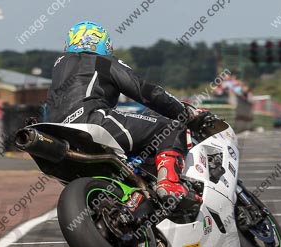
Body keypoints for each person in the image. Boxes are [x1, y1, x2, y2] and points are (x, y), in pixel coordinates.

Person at [45, 21, 201, 201]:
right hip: (92, 121)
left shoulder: (59, 65)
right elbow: (144, 91)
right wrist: (183, 111)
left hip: (56, 131)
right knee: (172, 128)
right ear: (104, 44)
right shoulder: (104, 61)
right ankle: (170, 184)